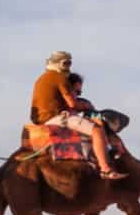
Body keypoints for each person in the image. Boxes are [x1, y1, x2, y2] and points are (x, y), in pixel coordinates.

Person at [30, 51, 125, 180]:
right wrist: (86, 106)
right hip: (56, 118)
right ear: (59, 63)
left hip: (42, 119)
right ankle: (105, 169)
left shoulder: (42, 79)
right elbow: (72, 104)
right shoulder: (59, 78)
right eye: (67, 63)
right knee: (97, 130)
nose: (68, 66)